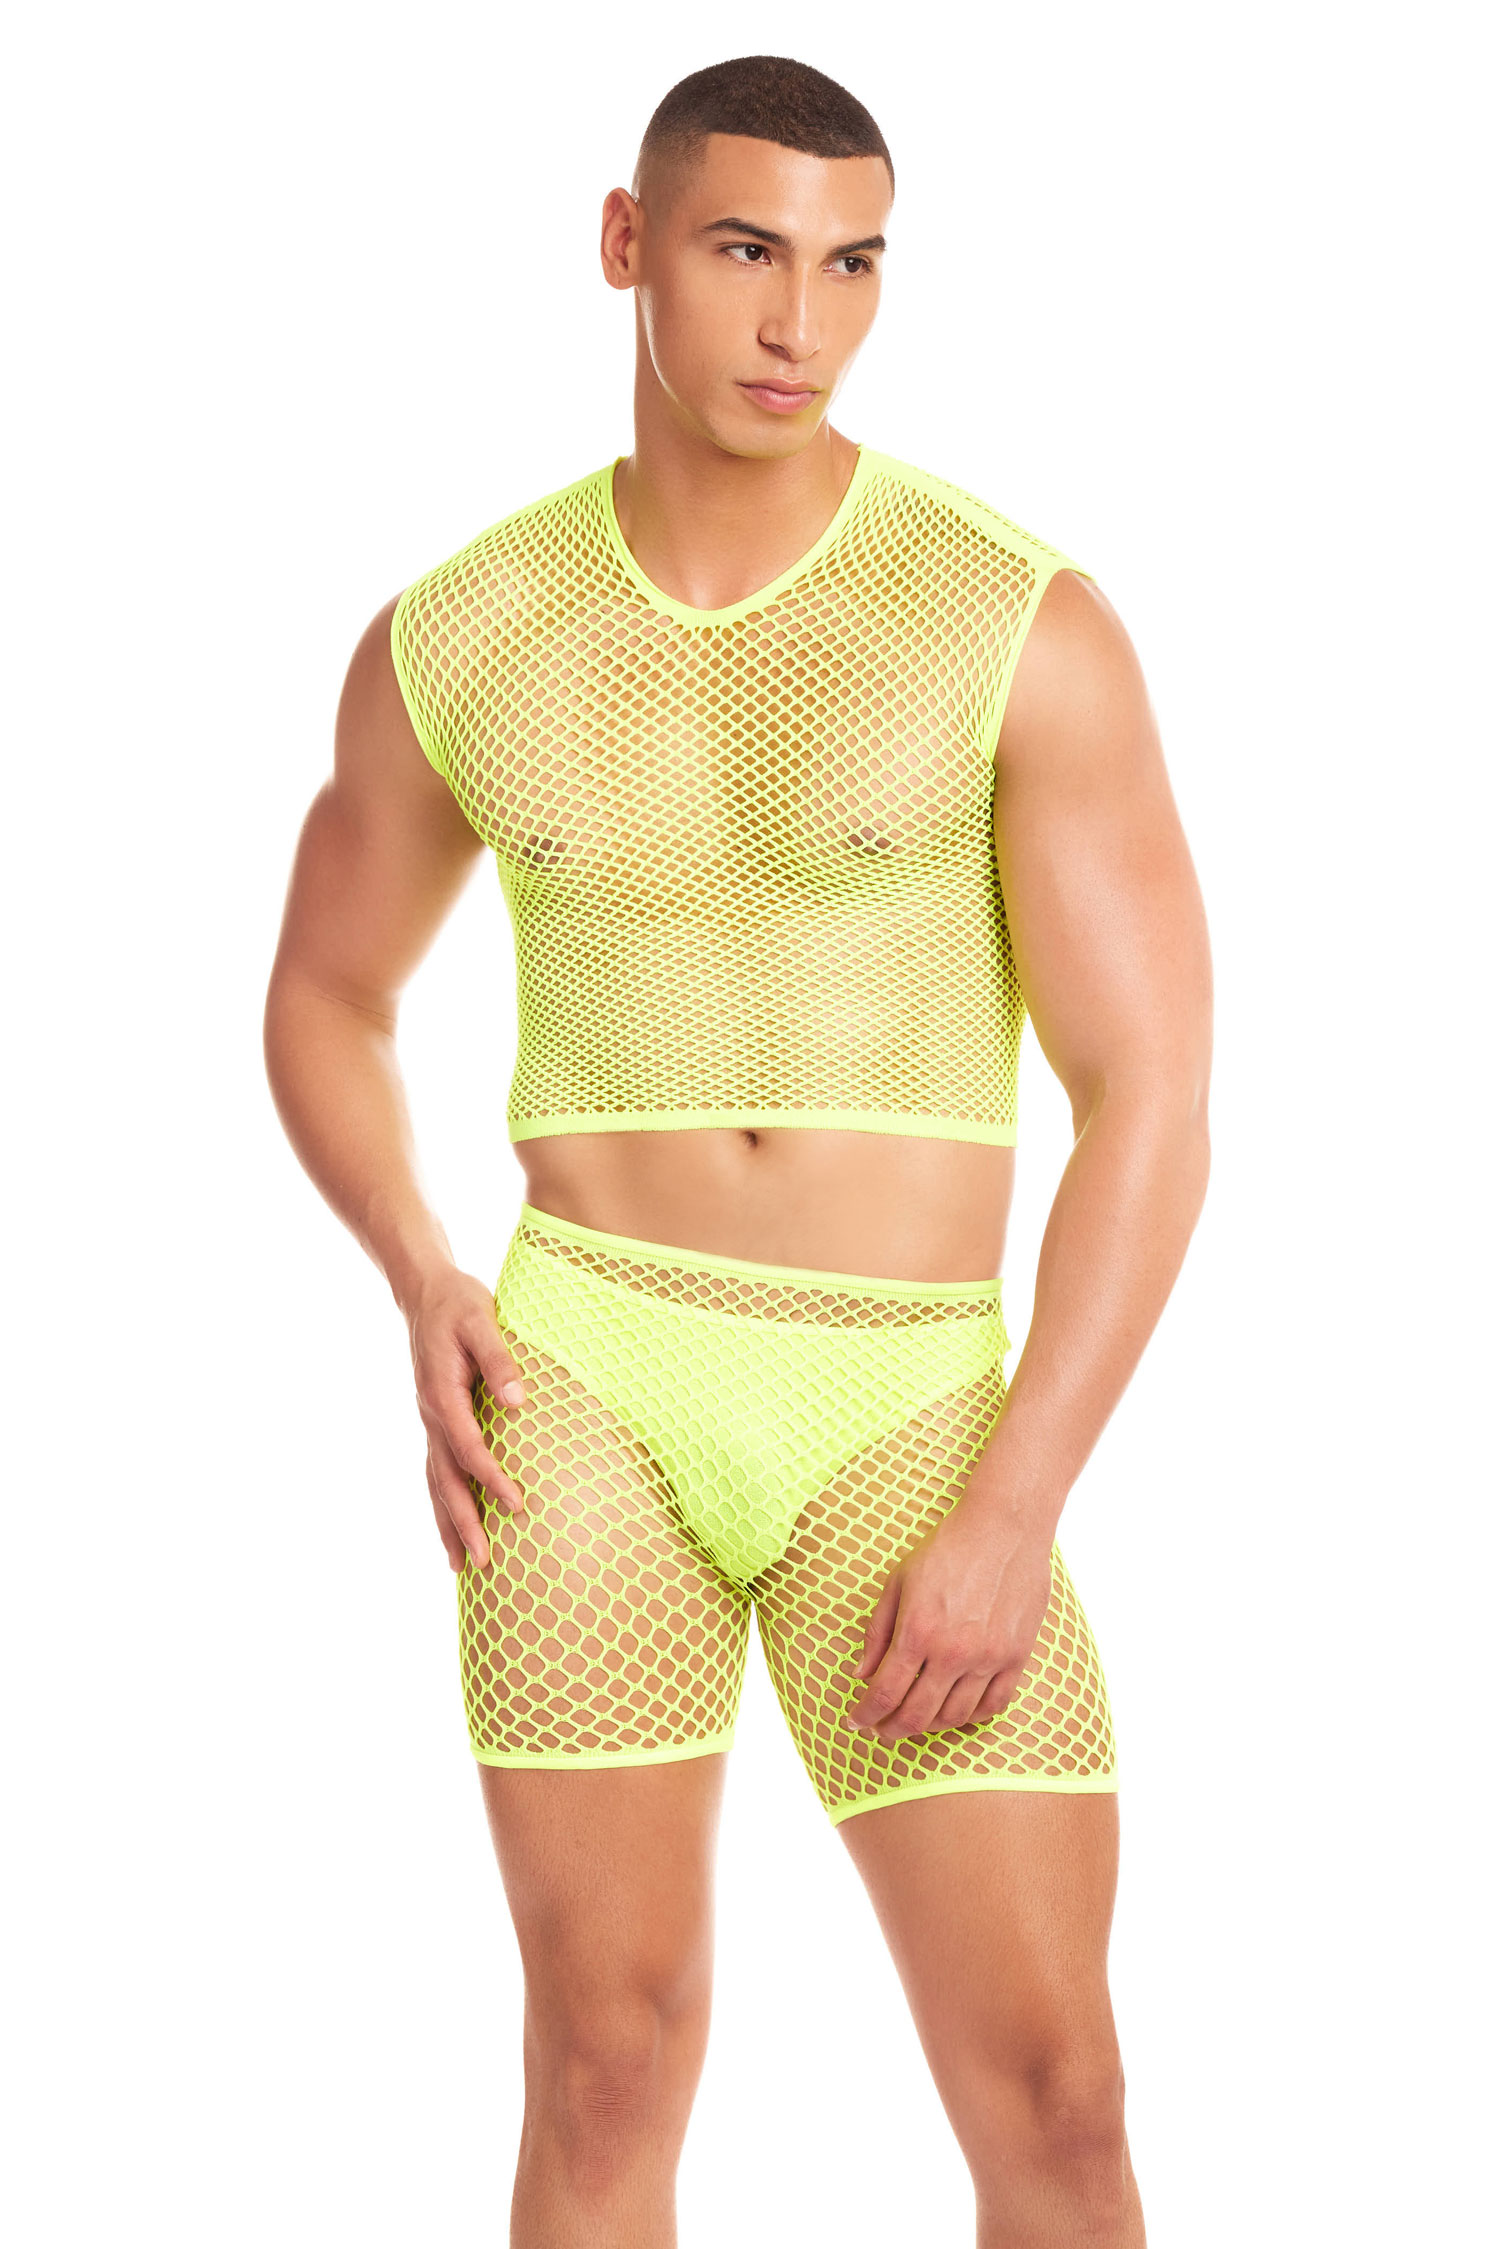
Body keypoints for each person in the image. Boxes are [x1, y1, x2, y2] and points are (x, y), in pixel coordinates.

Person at [264, 51, 1210, 2249]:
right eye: (747, 251)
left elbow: (1153, 1092)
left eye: (855, 265)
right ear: (629, 245)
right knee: (605, 2059)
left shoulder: (1013, 620)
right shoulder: (463, 631)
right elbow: (324, 992)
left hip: (909, 1408)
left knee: (1058, 2095)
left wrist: (1017, 1500)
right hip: (584, 1379)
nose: (803, 324)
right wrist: (420, 1264)